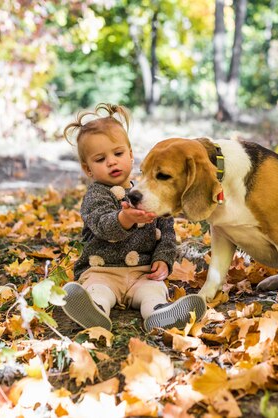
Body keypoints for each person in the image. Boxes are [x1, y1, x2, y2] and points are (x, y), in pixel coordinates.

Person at [61, 103, 206, 332]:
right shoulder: (95, 196)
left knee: (152, 291)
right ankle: (94, 311)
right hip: (103, 271)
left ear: (131, 155)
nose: (111, 162)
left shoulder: (147, 194)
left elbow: (166, 231)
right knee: (98, 290)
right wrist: (125, 219)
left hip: (142, 272)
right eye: (100, 159)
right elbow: (102, 225)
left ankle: (159, 313)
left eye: (118, 154)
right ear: (88, 170)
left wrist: (163, 260)